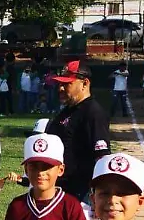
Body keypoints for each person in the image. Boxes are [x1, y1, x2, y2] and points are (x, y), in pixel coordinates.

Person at [45, 61, 112, 201]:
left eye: (67, 84)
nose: (61, 89)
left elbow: (102, 157)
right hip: (61, 189)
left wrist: (97, 193)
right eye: (60, 84)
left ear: (85, 83)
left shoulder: (93, 113)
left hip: (80, 193)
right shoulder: (68, 111)